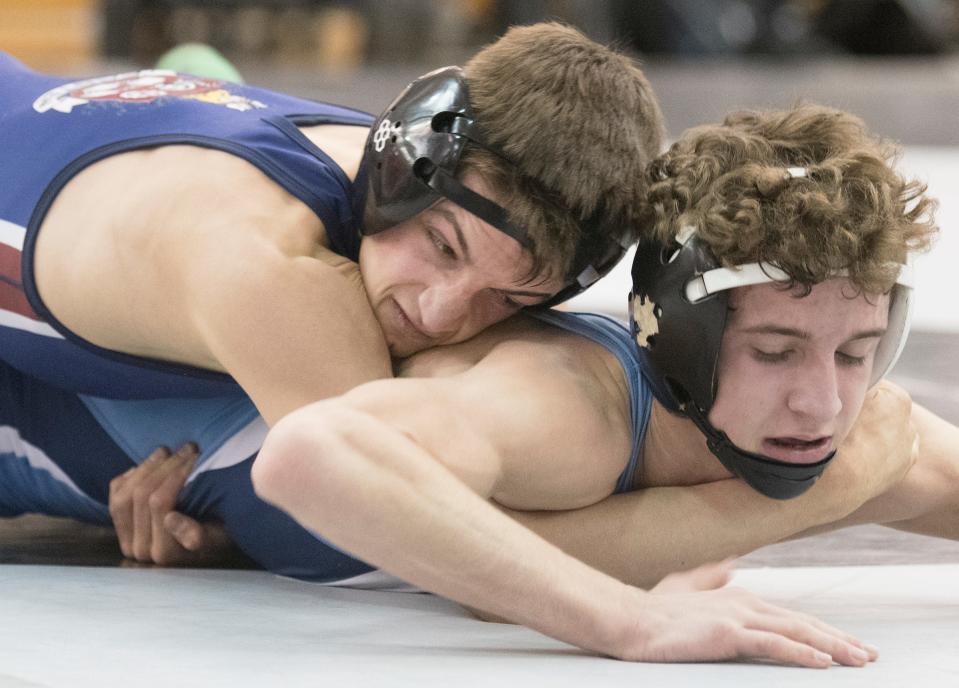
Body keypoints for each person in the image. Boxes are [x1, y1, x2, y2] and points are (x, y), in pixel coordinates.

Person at [6, 103, 943, 666]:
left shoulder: (862, 434)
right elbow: (315, 450)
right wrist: (628, 621)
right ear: (678, 335)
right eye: (775, 354)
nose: (823, 405)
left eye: (857, 352)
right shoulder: (561, 402)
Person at [0, 22, 662, 429]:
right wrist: (756, 504)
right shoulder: (273, 265)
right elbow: (399, 510)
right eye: (442, 247)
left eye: (509, 300)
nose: (440, 315)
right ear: (399, 162)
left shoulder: (403, 166)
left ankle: (202, 77)